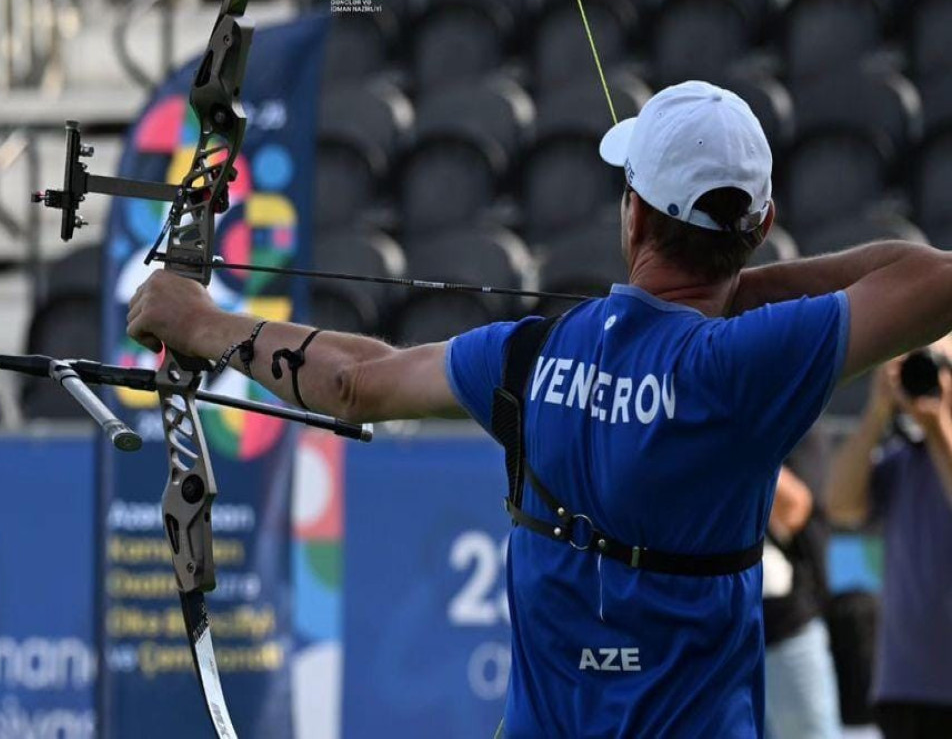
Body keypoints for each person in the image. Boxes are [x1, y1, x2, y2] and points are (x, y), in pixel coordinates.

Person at [127, 81, 952, 737]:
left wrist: (199, 321)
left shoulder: (529, 356)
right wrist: (739, 286)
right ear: (764, 223)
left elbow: (354, 380)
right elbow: (925, 275)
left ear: (631, 212)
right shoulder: (747, 363)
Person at [825, 341, 952, 739]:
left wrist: (939, 428)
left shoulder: (935, 446)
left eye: (939, 365)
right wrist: (876, 412)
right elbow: (839, 506)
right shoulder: (903, 459)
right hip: (905, 686)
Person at [762, 465, 841, 739]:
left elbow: (795, 507)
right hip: (706, 630)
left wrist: (721, 432)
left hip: (784, 629)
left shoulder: (800, 428)